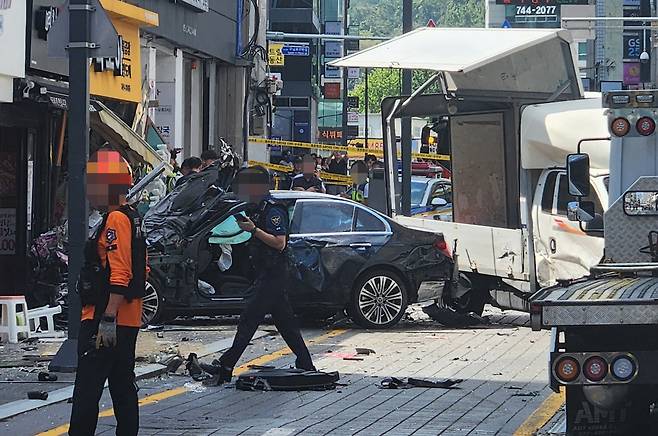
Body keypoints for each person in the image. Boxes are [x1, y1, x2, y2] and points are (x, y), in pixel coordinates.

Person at [204, 166, 316, 385]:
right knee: (286, 323)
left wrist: (253, 230)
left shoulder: (273, 210)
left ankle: (226, 365)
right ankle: (305, 362)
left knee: (249, 319)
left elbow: (279, 243)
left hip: (274, 274)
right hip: (266, 272)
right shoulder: (255, 207)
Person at [69, 150, 148, 436]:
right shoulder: (133, 218)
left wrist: (107, 319)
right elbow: (141, 270)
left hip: (106, 319)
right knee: (122, 384)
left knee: (87, 390)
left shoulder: (115, 220)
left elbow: (120, 272)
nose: (90, 192)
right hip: (128, 319)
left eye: (94, 185)